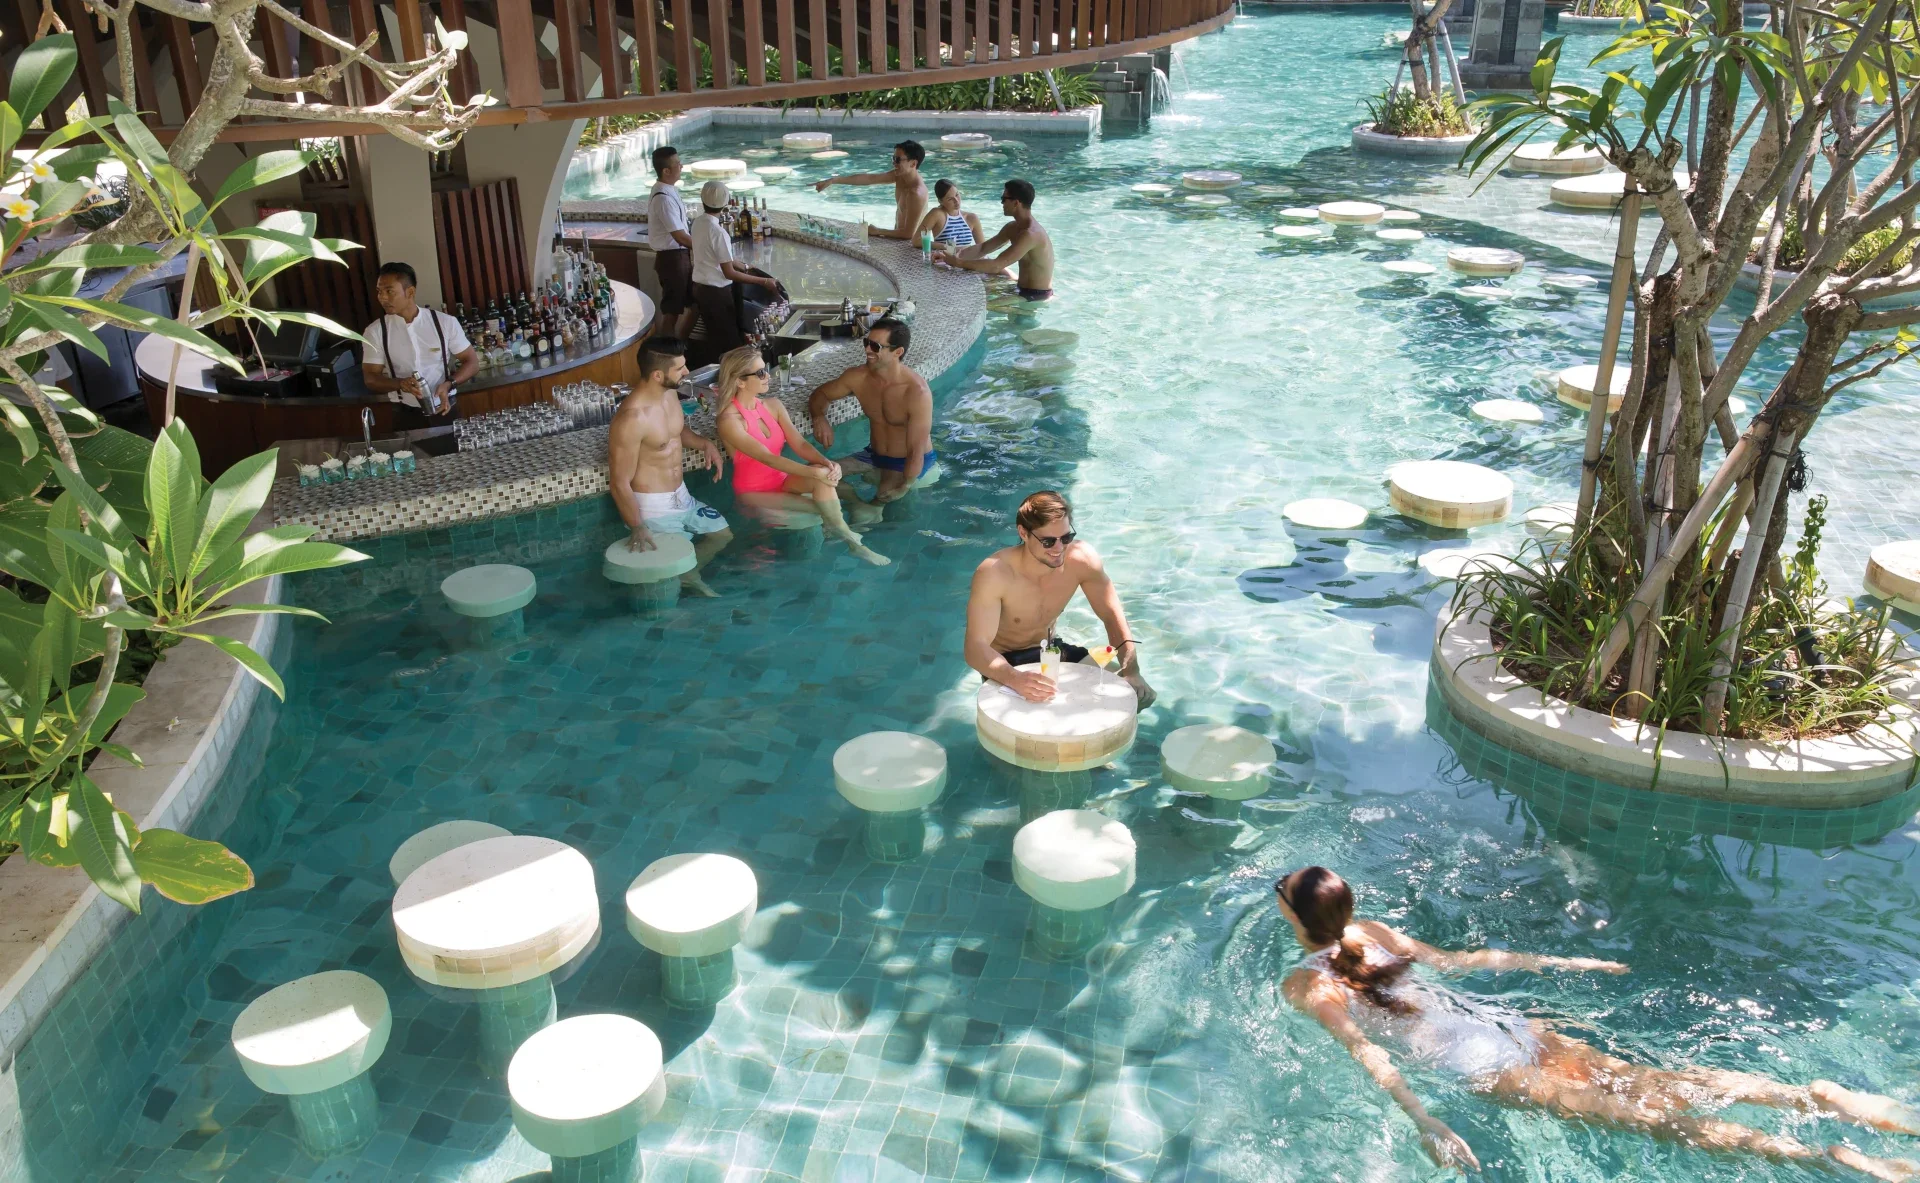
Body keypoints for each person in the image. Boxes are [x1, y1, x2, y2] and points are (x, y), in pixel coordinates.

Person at [1274, 866, 1920, 1180]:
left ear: (1296, 917)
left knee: (1652, 1119)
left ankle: (1817, 1155)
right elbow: (1466, 962)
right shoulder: (1374, 932)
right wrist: (1568, 961)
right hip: (1513, 1029)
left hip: (1486, 1068)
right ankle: (1809, 1096)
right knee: (1658, 1082)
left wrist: (1425, 1119)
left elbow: (1368, 1053)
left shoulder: (1307, 984)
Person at [964, 491, 1155, 708]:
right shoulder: (995, 573)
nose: (1059, 548)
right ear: (1023, 533)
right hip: (1007, 661)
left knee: (1135, 696)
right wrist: (1014, 679)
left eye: (1066, 538)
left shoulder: (1081, 559)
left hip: (1051, 650)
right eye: (1048, 541)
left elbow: (1112, 615)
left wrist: (1132, 671)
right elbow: (975, 647)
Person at [712, 345, 889, 567]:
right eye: (760, 373)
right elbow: (768, 458)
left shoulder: (773, 405)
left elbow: (800, 443)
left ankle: (845, 536)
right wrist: (813, 472)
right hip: (754, 491)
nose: (768, 376)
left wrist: (826, 464)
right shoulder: (729, 421)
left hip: (782, 479)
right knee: (825, 507)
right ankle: (853, 542)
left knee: (823, 478)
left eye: (766, 368)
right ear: (740, 381)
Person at [606, 336, 731, 596]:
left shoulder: (670, 393)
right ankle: (683, 577)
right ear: (657, 375)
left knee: (723, 535)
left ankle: (686, 573)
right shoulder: (632, 419)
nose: (686, 372)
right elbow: (619, 483)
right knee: (677, 563)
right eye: (680, 368)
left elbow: (674, 431)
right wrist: (637, 526)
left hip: (682, 497)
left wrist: (704, 443)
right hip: (654, 509)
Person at [806, 317, 933, 526]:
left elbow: (916, 451)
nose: (867, 349)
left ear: (897, 352)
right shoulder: (858, 377)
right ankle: (856, 501)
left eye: (876, 346)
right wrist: (819, 417)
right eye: (867, 342)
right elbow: (821, 394)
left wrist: (905, 486)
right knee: (813, 472)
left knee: (873, 514)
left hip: (905, 460)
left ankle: (865, 512)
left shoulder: (916, 393)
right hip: (872, 455)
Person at [360, 262, 478, 427]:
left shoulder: (444, 322)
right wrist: (400, 384)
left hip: (445, 409)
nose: (382, 298)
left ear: (410, 292)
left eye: (389, 291)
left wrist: (449, 383)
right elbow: (371, 378)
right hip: (405, 414)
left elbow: (472, 362)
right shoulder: (375, 331)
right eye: (379, 291)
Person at [691, 180, 780, 358]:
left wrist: (745, 266)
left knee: (716, 340)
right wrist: (763, 281)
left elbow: (717, 258)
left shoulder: (698, 223)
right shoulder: (718, 232)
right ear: (725, 204)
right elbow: (729, 273)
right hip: (717, 294)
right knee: (730, 346)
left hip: (700, 290)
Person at [934, 178, 1055, 301]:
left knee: (971, 302)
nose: (1001, 203)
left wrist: (958, 263)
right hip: (1020, 289)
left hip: (1037, 295)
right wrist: (948, 256)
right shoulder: (1012, 228)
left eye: (1004, 199)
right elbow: (983, 248)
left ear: (1016, 203)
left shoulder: (1030, 235)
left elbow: (996, 266)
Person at [812, 141, 931, 240]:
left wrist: (878, 231)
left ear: (913, 163)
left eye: (898, 159)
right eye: (893, 158)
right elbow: (870, 178)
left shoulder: (916, 193)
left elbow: (909, 234)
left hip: (911, 247)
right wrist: (833, 180)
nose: (894, 163)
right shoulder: (900, 177)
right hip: (898, 240)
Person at [646, 146, 696, 339]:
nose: (681, 166)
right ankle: (667, 349)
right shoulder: (663, 199)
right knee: (672, 310)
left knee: (695, 303)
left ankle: (680, 343)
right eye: (677, 164)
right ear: (666, 171)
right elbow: (680, 236)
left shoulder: (667, 189)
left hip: (679, 257)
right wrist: (705, 248)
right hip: (672, 259)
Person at [913, 179, 982, 250]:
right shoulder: (937, 214)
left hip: (967, 256)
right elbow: (916, 240)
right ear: (940, 201)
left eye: (957, 195)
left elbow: (983, 249)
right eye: (950, 199)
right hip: (945, 257)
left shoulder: (971, 218)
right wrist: (948, 247)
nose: (956, 201)